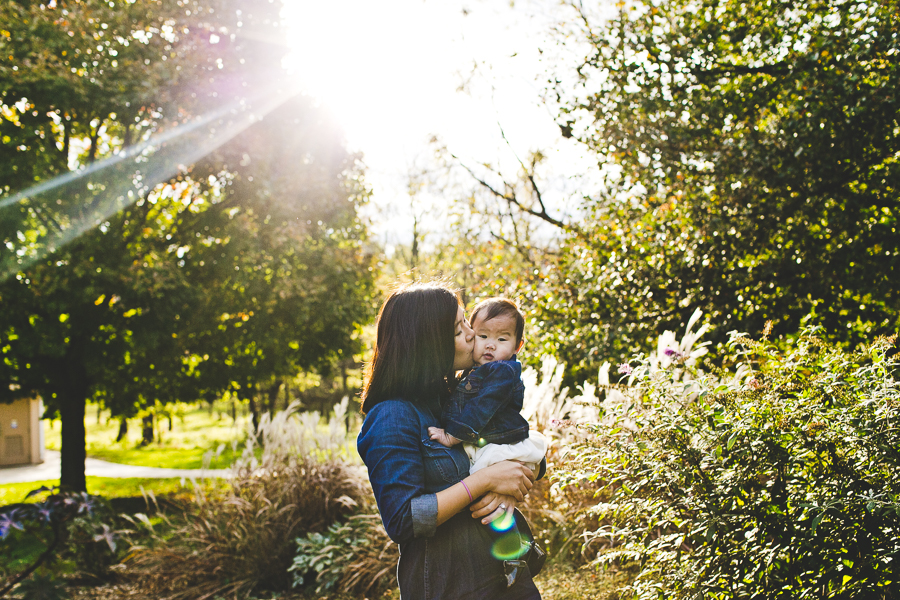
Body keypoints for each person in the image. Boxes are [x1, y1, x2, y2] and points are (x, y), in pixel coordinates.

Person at [357, 282, 543, 600]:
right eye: (460, 330)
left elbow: (519, 440)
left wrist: (511, 481)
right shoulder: (392, 416)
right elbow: (403, 520)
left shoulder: (454, 396)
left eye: (466, 323)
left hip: (506, 578)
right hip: (451, 585)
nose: (472, 335)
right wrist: (485, 480)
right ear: (429, 344)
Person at [427, 297, 547, 478]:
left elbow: (483, 405)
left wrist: (452, 436)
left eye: (502, 339)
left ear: (517, 346)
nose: (490, 345)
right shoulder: (473, 370)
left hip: (497, 446)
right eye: (482, 336)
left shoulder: (502, 372)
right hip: (482, 443)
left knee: (485, 481)